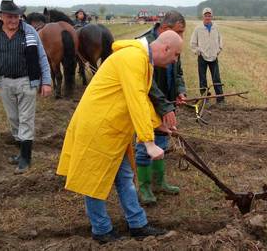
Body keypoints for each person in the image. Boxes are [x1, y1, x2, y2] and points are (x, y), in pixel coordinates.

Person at [56, 30, 183, 244]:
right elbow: (136, 100)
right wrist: (149, 141)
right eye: (176, 54)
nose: (175, 60)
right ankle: (102, 230)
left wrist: (158, 124)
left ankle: (138, 225)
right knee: (94, 181)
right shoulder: (134, 58)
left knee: (124, 177)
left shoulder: (141, 61)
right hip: (98, 128)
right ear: (166, 48)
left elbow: (139, 97)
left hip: (112, 130)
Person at [0, 0, 52, 174]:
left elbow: (42, 57)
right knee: (13, 118)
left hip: (26, 82)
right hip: (4, 82)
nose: (14, 20)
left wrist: (46, 81)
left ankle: (25, 158)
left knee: (25, 119)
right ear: (1, 17)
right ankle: (21, 151)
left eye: (16, 16)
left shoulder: (29, 31)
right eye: (9, 17)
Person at [135, 11, 186, 205]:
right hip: (149, 104)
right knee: (145, 144)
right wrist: (165, 106)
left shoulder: (173, 44)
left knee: (162, 143)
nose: (180, 37)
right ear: (165, 29)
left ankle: (159, 182)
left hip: (167, 104)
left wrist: (180, 91)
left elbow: (177, 72)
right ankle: (145, 187)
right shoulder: (145, 46)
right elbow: (148, 83)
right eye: (178, 32)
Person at [190, 7, 224, 103]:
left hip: (214, 56)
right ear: (203, 16)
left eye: (209, 15)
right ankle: (205, 99)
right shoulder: (198, 29)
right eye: (206, 15)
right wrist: (198, 52)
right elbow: (193, 43)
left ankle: (220, 99)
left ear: (212, 16)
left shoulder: (216, 28)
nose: (208, 17)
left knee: (216, 78)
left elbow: (220, 40)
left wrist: (218, 50)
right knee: (202, 79)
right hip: (202, 57)